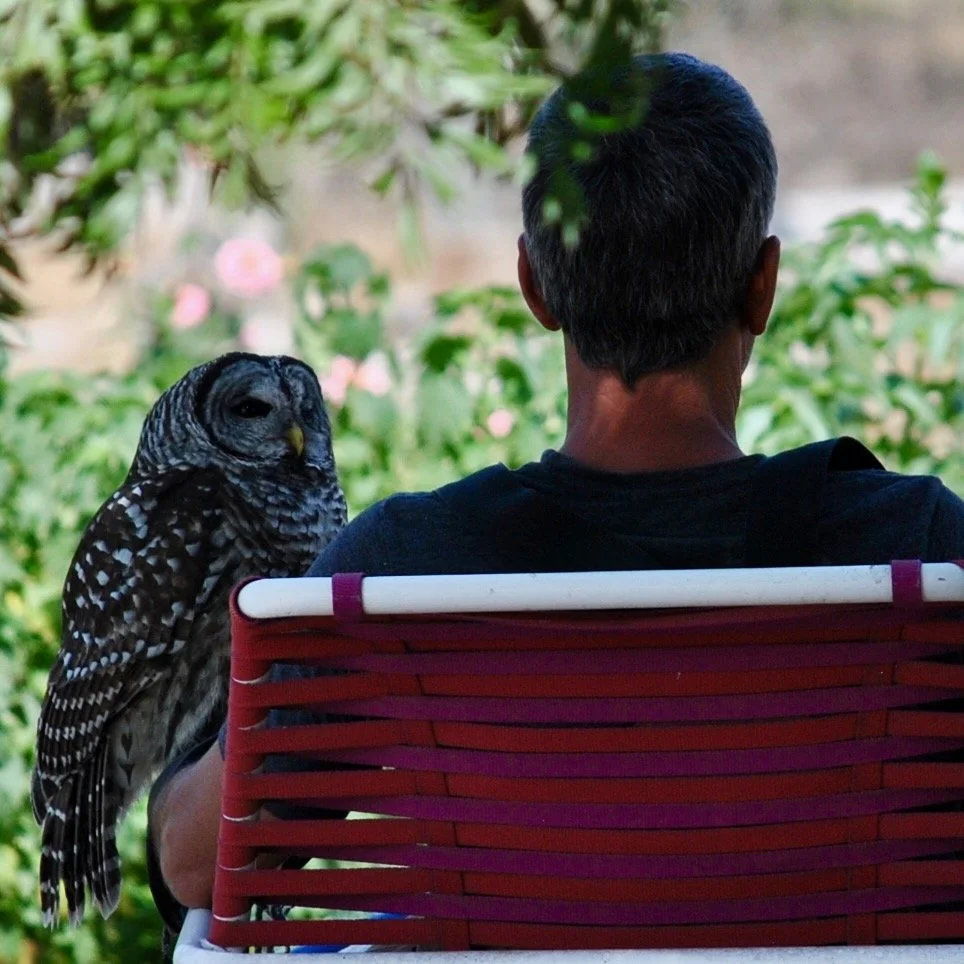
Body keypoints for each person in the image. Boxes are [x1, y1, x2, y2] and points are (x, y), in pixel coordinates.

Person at [148, 51, 964, 941]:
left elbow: (194, 860)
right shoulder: (919, 550)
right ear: (762, 286)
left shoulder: (408, 567)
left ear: (534, 286)